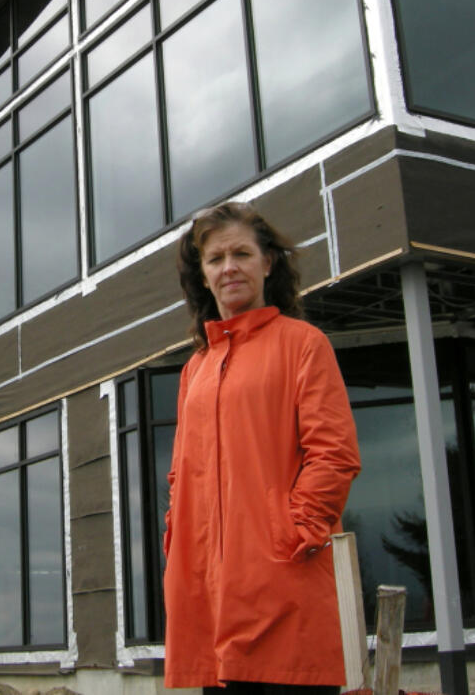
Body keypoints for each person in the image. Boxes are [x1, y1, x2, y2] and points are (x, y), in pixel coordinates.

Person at [163, 201, 361, 695]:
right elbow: (181, 475)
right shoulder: (196, 369)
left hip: (283, 585)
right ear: (203, 277)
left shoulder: (304, 344)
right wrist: (176, 537)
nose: (229, 267)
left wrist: (294, 530)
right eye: (215, 259)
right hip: (209, 595)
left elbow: (334, 454)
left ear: (267, 263)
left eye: (241, 254)